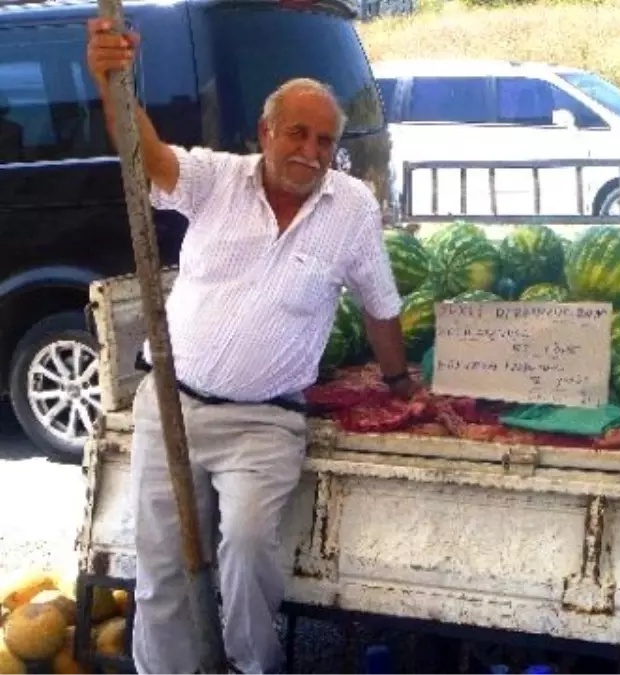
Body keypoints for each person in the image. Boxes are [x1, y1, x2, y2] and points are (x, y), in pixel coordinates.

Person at [86, 17, 415, 675]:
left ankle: (249, 667)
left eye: (325, 140)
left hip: (265, 420)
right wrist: (109, 79)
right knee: (160, 562)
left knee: (247, 548)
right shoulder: (216, 178)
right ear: (265, 132)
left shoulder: (349, 208)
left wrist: (401, 382)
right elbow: (146, 155)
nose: (311, 150)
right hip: (171, 407)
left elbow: (381, 304)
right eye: (297, 132)